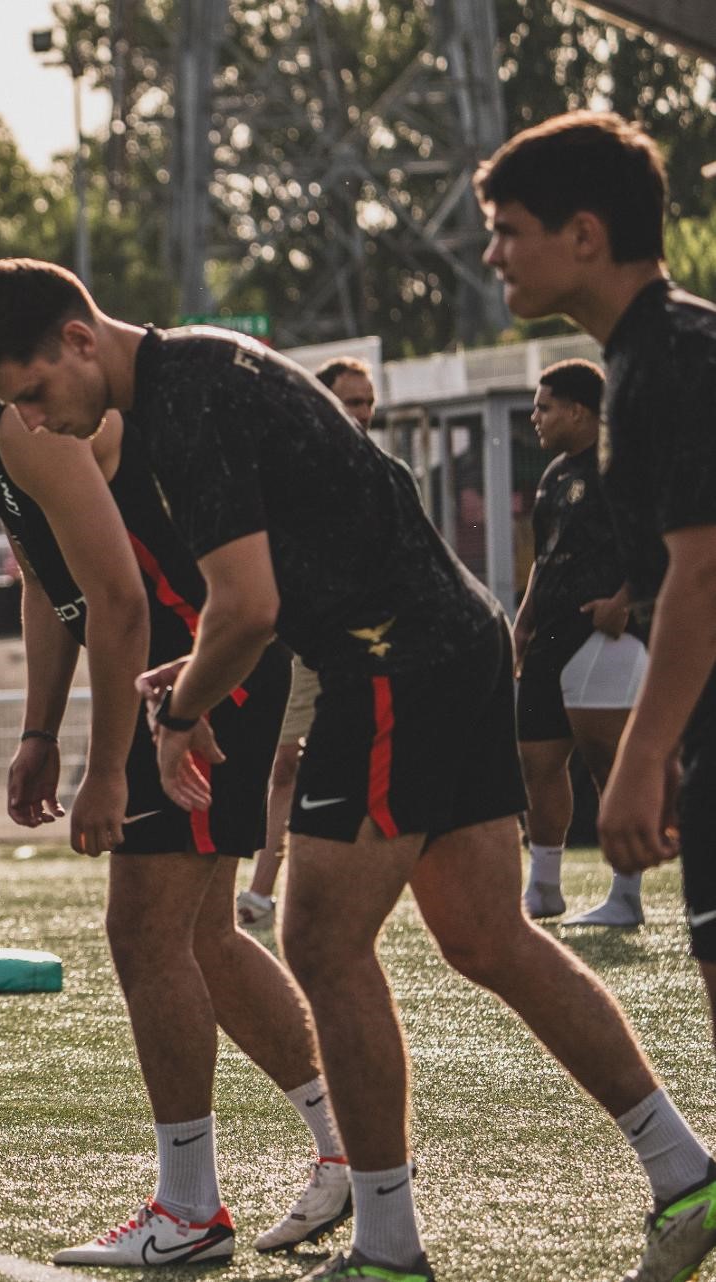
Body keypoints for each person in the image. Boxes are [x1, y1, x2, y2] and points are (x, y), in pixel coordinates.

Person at [0, 255, 715, 1282]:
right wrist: (197, 675)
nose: (35, 424)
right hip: (450, 642)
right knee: (489, 938)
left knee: (317, 937)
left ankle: (387, 1248)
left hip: (391, 661)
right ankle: (683, 1171)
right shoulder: (205, 370)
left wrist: (176, 712)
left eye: (35, 394)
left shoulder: (181, 402)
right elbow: (281, 582)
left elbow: (249, 605)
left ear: (79, 340)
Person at [0, 281, 352, 1265]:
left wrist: (107, 766)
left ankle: (188, 1211)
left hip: (191, 674)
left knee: (142, 934)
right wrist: (35, 729)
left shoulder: (22, 421)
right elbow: (44, 579)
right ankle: (339, 1147)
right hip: (191, 670)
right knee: (204, 938)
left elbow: (117, 599)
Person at [481, 111, 716, 1279]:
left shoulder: (670, 358)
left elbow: (702, 571)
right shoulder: (631, 362)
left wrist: (638, 754)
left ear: (582, 234)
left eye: (505, 231)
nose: (492, 255)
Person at [243, 358, 380, 932]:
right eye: (351, 400)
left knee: (360, 769)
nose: (362, 413)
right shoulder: (289, 467)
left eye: (368, 402)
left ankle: (346, 888)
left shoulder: (379, 471)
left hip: (365, 644)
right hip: (305, 643)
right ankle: (262, 890)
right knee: (286, 763)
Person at [513, 359, 648, 927]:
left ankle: (626, 894)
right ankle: (543, 888)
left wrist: (625, 600)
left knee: (606, 764)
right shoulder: (553, 475)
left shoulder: (625, 466)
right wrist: (522, 623)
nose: (535, 417)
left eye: (544, 407)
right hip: (550, 633)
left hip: (604, 631)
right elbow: (545, 559)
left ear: (577, 410)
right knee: (537, 762)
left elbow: (660, 542)